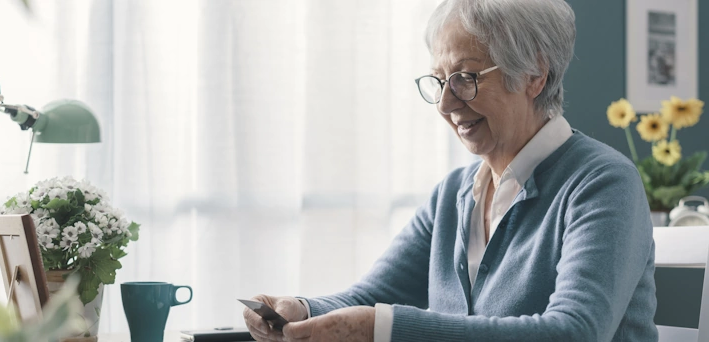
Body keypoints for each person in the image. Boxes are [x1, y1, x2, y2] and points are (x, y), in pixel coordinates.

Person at [242, 0, 657, 341]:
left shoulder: (602, 183)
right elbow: (373, 295)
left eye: (465, 78)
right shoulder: (454, 193)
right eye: (440, 80)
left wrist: (383, 328)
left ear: (533, 74)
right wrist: (303, 309)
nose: (445, 104)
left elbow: (574, 333)